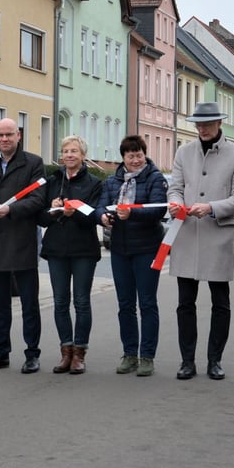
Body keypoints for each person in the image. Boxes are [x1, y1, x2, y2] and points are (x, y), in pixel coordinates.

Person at [167, 103, 234, 381]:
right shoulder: (183, 152)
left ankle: (215, 360)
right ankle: (187, 361)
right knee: (185, 303)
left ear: (219, 124)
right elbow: (175, 188)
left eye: (207, 124)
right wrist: (176, 203)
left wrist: (212, 207)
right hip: (187, 232)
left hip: (217, 233)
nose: (201, 129)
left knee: (220, 303)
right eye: (198, 124)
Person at [0, 119, 47, 374]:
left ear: (19, 135)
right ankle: (0, 351)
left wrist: (10, 209)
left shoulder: (33, 163)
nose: (4, 139)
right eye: (0, 135)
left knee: (28, 302)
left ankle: (32, 353)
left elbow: (38, 198)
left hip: (21, 239)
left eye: (9, 134)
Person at [97, 135, 168, 377]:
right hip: (119, 248)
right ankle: (129, 354)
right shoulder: (112, 180)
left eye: (139, 155)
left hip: (147, 248)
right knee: (125, 305)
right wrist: (103, 218)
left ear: (144, 155)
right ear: (123, 158)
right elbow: (101, 206)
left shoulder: (155, 178)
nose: (136, 160)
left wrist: (132, 215)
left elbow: (159, 209)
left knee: (147, 303)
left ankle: (147, 356)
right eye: (131, 156)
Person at [38, 135, 102, 374]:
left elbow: (93, 217)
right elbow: (41, 217)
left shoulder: (94, 183)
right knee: (60, 302)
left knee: (82, 301)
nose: (69, 155)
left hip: (83, 249)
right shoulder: (53, 181)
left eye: (74, 151)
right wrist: (53, 210)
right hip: (56, 249)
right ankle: (65, 350)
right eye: (66, 151)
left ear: (83, 155)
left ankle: (79, 353)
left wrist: (71, 211)